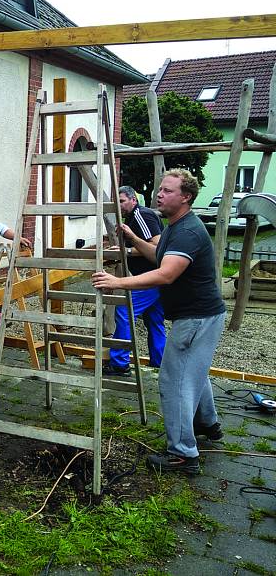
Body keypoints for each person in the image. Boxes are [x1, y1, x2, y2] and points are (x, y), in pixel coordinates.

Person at [92, 169, 226, 475]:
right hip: (200, 315)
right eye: (160, 190)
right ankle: (208, 423)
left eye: (167, 191)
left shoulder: (188, 232)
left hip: (196, 318)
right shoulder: (175, 228)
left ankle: (182, 454)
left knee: (175, 380)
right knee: (195, 372)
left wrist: (118, 281)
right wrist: (134, 239)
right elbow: (159, 255)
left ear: (186, 197)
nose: (159, 195)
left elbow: (166, 273)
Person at [103, 185, 167, 375]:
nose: (119, 205)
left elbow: (157, 247)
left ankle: (119, 364)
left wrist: (128, 251)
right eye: (117, 201)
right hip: (157, 278)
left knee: (124, 312)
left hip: (152, 278)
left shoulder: (142, 215)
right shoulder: (132, 218)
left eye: (122, 201)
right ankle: (160, 362)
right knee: (154, 320)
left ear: (134, 200)